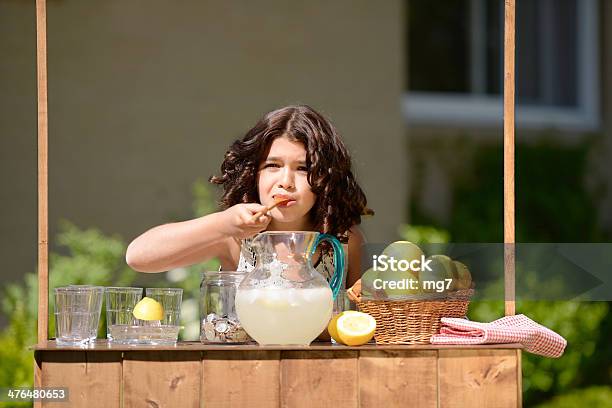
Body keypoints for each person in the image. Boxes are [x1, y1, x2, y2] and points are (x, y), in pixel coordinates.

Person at [126, 104, 373, 293]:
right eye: (273, 165)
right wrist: (223, 223)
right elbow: (138, 257)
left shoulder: (343, 242)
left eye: (303, 169)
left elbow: (371, 317)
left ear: (325, 179)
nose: (285, 181)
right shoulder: (233, 238)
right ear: (253, 173)